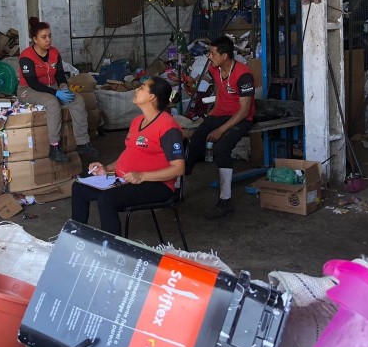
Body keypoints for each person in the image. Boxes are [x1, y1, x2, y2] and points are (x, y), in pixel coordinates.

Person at [71, 76, 184, 235]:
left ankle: (110, 248)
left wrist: (143, 176)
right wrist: (106, 169)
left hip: (156, 185)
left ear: (152, 96)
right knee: (79, 188)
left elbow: (178, 169)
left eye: (142, 87)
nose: (136, 90)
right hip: (122, 178)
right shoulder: (137, 121)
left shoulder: (167, 126)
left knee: (106, 198)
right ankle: (75, 238)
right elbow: (130, 152)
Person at [185, 36, 255, 218]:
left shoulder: (244, 74)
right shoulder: (214, 69)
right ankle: (176, 185)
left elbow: (245, 109)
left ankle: (225, 201)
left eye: (213, 53)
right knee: (194, 142)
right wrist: (213, 114)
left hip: (241, 118)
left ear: (224, 56)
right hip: (218, 114)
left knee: (221, 149)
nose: (209, 56)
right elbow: (219, 89)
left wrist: (221, 130)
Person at [17, 22, 99, 163]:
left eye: (50, 36)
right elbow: (33, 83)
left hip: (51, 85)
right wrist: (56, 94)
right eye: (44, 37)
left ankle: (83, 143)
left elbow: (60, 74)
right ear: (35, 39)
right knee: (52, 103)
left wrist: (63, 87)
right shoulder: (26, 56)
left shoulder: (54, 52)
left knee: (77, 99)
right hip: (28, 89)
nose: (48, 40)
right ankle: (54, 147)